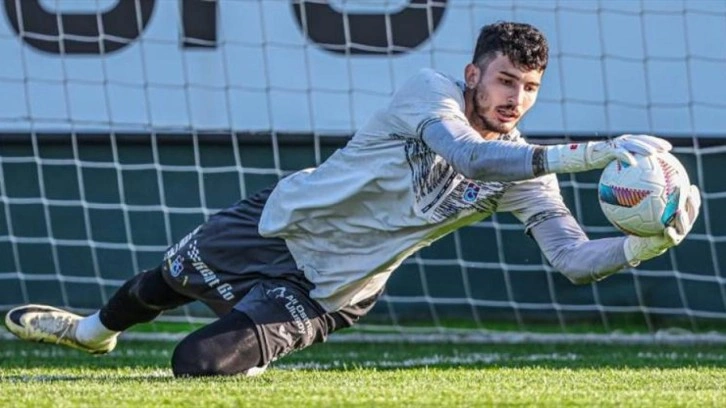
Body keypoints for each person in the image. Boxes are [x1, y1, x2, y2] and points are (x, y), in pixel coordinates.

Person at [4, 21, 701, 377]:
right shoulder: (428, 92)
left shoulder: (526, 172)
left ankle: (254, 344)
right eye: (505, 81)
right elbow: (467, 155)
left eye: (530, 88)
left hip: (334, 287)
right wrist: (598, 151)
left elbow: (572, 260)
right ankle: (91, 333)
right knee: (161, 282)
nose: (515, 98)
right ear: (473, 74)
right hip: (279, 223)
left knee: (195, 365)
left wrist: (646, 242)